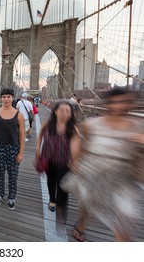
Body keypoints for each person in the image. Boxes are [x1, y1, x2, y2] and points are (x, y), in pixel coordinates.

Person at [62, 88, 144, 242]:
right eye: (115, 103)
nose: (118, 107)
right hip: (93, 176)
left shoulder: (137, 126)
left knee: (123, 227)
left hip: (122, 181)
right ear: (108, 104)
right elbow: (76, 137)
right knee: (87, 206)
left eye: (123, 102)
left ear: (129, 104)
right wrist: (74, 157)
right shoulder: (93, 124)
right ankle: (82, 224)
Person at [35, 101, 79, 225]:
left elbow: (76, 145)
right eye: (61, 110)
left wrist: (74, 160)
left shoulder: (73, 128)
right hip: (48, 159)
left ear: (71, 114)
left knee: (62, 185)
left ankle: (60, 209)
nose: (64, 113)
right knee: (51, 181)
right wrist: (38, 149)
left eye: (67, 111)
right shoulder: (48, 124)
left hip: (65, 162)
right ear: (55, 111)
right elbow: (40, 136)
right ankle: (52, 199)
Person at [0, 88, 25, 210]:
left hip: (13, 148)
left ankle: (11, 197)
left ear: (12, 98)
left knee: (13, 174)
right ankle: (0, 194)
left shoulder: (18, 115)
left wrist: (21, 152)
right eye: (4, 97)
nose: (6, 99)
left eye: (8, 97)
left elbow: (21, 134)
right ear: (1, 98)